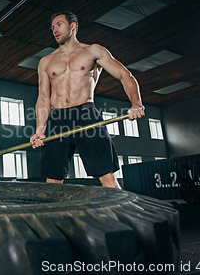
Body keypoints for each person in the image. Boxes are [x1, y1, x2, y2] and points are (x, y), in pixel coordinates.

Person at [30, 11, 145, 189]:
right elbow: (44, 97)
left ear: (73, 26)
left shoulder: (93, 51)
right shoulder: (46, 61)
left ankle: (124, 217)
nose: (55, 30)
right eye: (52, 27)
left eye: (59, 24)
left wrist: (136, 103)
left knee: (107, 177)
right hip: (57, 117)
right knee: (53, 180)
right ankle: (56, 218)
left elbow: (125, 75)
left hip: (85, 113)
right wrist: (40, 129)